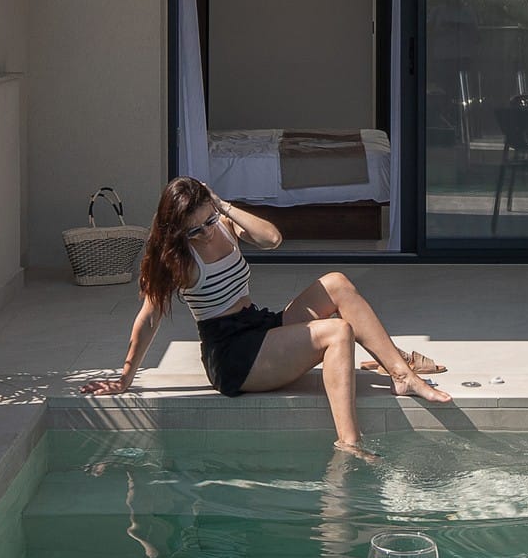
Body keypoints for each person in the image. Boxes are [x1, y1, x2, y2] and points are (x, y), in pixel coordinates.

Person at [85, 176, 450, 453]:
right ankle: (350, 444)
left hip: (257, 326)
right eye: (192, 229)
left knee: (337, 283)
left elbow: (272, 238)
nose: (203, 234)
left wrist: (224, 208)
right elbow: (148, 320)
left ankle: (402, 375)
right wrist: (125, 379)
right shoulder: (178, 258)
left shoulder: (225, 225)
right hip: (231, 355)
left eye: (207, 222)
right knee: (337, 333)